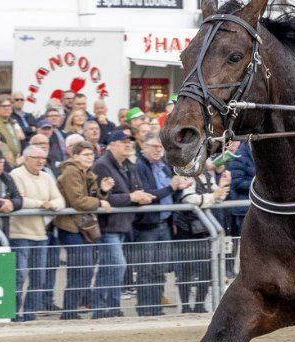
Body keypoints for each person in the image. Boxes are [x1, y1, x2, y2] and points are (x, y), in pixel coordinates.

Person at [90, 130, 154, 318]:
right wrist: (131, 197)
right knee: (117, 266)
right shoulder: (101, 165)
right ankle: (106, 307)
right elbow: (102, 197)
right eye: (123, 141)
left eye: (130, 141)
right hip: (108, 225)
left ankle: (106, 308)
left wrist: (140, 197)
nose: (128, 144)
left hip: (122, 225)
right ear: (112, 144)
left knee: (109, 268)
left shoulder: (128, 165)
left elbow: (134, 190)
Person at [55, 141, 110, 319]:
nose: (90, 158)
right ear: (75, 156)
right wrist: (100, 202)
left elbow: (89, 197)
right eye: (86, 154)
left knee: (83, 270)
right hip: (71, 227)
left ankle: (71, 310)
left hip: (80, 226)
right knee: (81, 269)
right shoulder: (71, 171)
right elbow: (77, 201)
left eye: (91, 155)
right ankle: (69, 311)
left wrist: (102, 191)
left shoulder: (87, 173)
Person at [10, 145, 64, 321]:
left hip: (41, 235)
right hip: (20, 235)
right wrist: (41, 203)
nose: (41, 161)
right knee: (19, 276)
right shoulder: (16, 175)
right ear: (26, 159)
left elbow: (59, 201)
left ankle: (30, 314)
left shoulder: (47, 177)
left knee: (38, 278)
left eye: (43, 158)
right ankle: (14, 314)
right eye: (36, 158)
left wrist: (52, 205)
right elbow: (18, 200)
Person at [170, 162, 230, 312]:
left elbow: (218, 197)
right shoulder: (185, 175)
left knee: (205, 269)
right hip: (186, 230)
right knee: (186, 270)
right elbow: (189, 199)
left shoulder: (208, 177)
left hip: (203, 230)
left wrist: (222, 186)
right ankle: (185, 307)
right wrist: (213, 196)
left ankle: (199, 305)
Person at [130, 138, 178, 317]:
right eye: (154, 146)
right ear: (144, 147)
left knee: (160, 269)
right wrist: (171, 188)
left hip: (164, 224)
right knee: (146, 269)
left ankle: (156, 307)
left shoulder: (165, 165)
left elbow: (171, 190)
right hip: (147, 226)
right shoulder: (139, 166)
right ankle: (144, 308)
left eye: (160, 146)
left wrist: (179, 187)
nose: (158, 150)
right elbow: (147, 193)